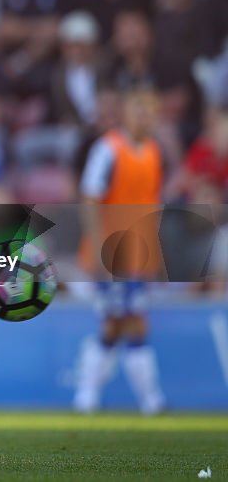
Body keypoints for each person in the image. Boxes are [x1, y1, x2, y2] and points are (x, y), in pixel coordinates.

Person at [74, 84, 167, 415]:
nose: (145, 116)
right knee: (132, 321)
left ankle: (88, 396)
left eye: (150, 110)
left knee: (115, 323)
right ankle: (150, 400)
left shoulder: (154, 152)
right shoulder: (108, 149)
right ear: (127, 113)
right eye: (138, 109)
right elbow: (89, 199)